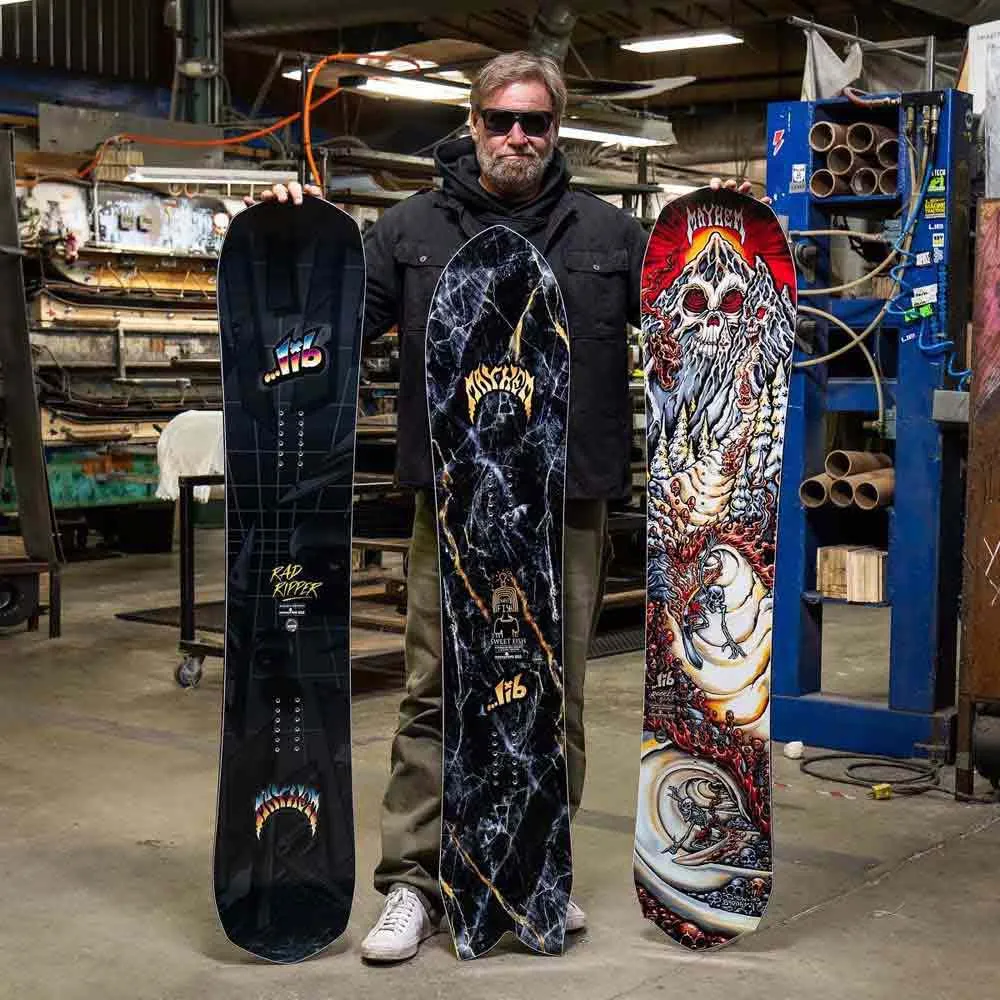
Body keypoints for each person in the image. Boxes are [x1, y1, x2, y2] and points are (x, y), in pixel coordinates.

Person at [259, 50, 755, 964]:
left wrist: (724, 229)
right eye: (501, 119)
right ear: (473, 123)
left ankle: (535, 871)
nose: (517, 136)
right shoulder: (410, 229)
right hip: (451, 503)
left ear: (556, 130)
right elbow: (332, 326)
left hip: (567, 504)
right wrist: (295, 234)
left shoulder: (609, 234)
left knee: (554, 692)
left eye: (536, 121)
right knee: (434, 688)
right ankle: (414, 883)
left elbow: (700, 324)